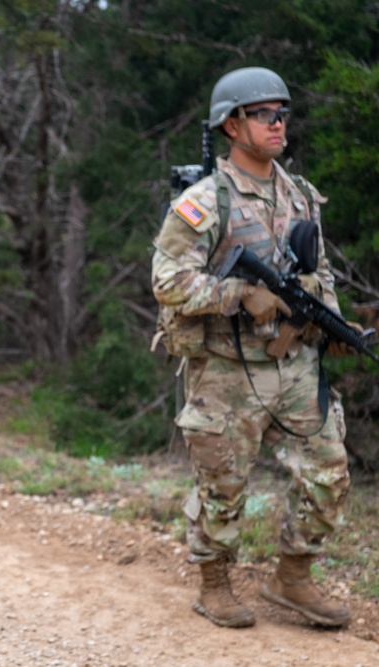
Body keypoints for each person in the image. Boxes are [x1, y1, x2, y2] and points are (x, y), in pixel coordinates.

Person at [152, 66, 361, 629]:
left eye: (283, 114)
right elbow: (168, 280)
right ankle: (214, 584)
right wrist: (241, 294)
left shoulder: (299, 196)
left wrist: (331, 325)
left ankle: (291, 578)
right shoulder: (204, 200)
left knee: (328, 472)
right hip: (226, 369)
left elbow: (321, 274)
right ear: (232, 124)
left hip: (293, 364)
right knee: (223, 485)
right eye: (265, 114)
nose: (278, 124)